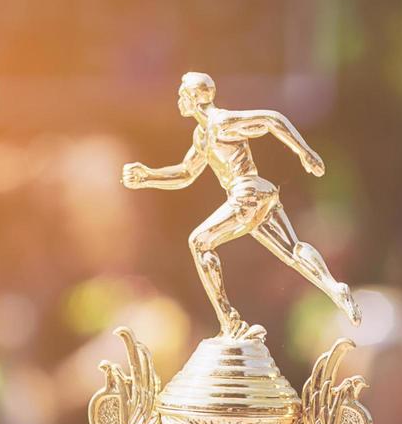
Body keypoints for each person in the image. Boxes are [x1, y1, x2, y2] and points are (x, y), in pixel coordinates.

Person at [122, 71, 361, 339]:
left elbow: (271, 119)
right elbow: (185, 173)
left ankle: (230, 323)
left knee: (199, 242)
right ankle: (335, 288)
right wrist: (147, 176)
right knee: (292, 250)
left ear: (194, 98)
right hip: (259, 195)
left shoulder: (221, 122)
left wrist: (305, 153)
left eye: (181, 95)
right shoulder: (201, 136)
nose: (178, 100)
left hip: (246, 193)